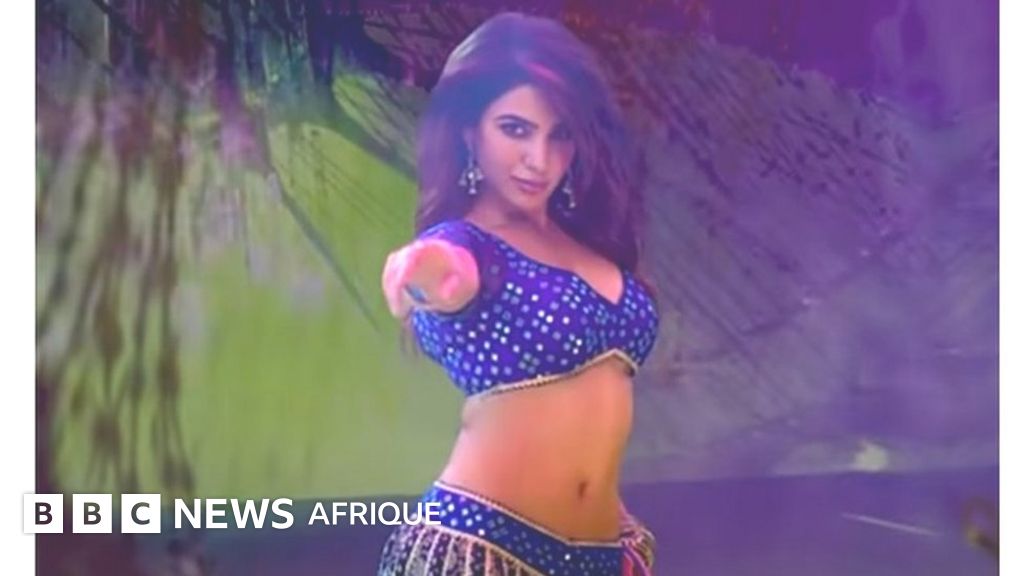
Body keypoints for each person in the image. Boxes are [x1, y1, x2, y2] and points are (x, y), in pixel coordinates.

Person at [378, 12, 659, 575]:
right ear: (469, 133)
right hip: (481, 554)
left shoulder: (587, 242)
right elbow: (448, 270)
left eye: (560, 135)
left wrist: (618, 529)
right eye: (515, 129)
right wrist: (421, 271)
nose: (540, 160)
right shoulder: (466, 245)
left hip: (603, 557)